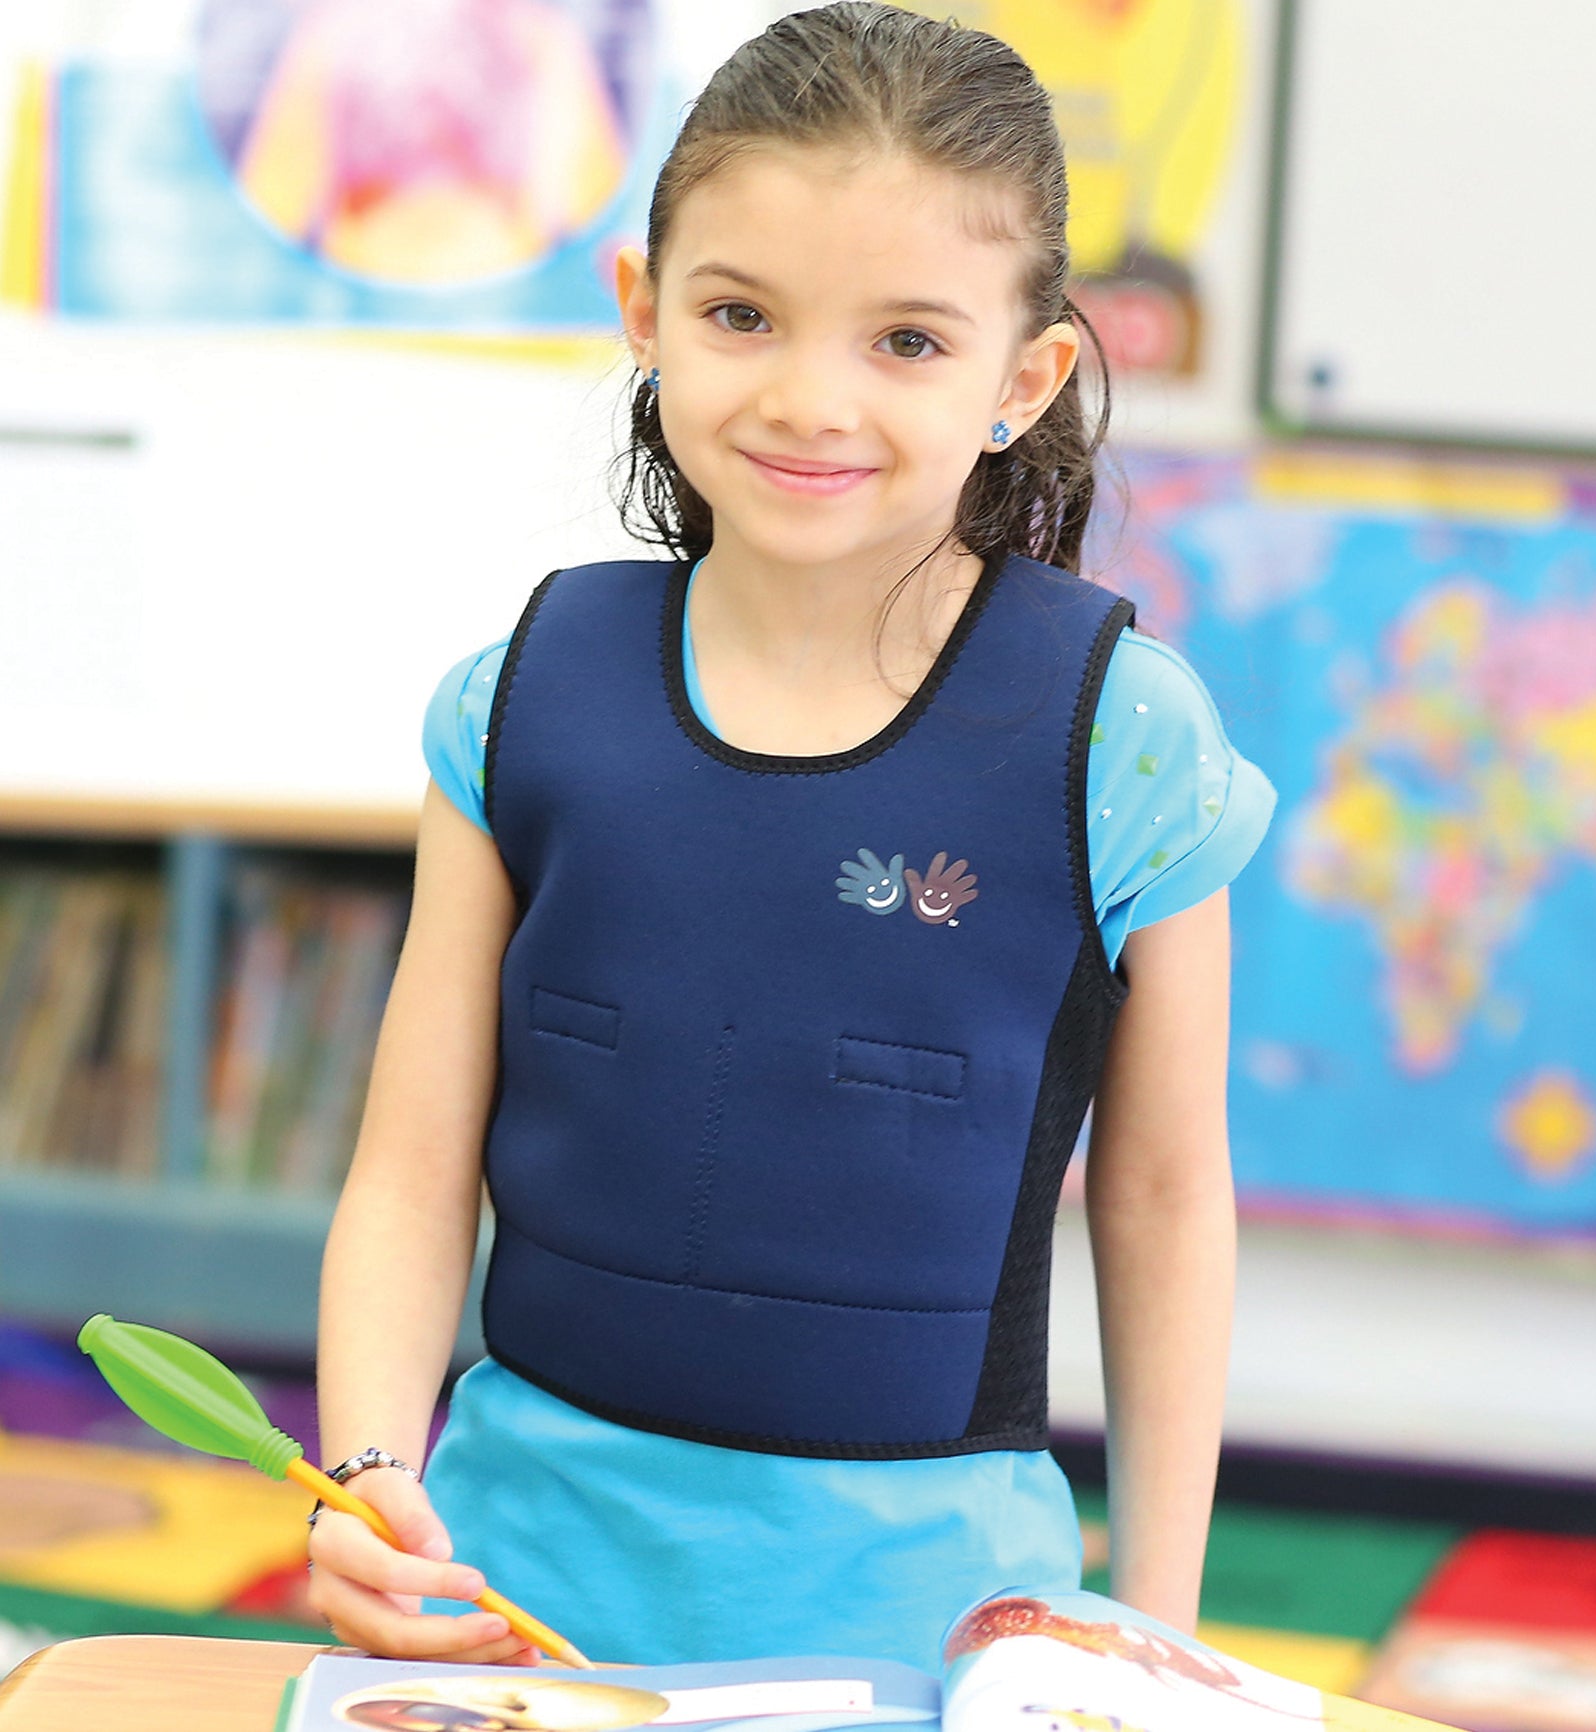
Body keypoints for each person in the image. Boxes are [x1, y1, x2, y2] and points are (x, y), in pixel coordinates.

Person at [307, 0, 1276, 1677]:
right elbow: (408, 1168)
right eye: (743, 314)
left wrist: (1159, 1629)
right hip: (505, 1613)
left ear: (1022, 377)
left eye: (906, 340)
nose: (810, 399)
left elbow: (1170, 1194)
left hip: (937, 1637)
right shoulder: (516, 701)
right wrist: (369, 1478)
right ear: (644, 311)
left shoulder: (1124, 736)